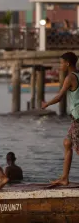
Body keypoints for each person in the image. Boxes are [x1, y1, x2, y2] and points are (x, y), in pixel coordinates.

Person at [42, 52, 79, 187]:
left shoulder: (70, 78)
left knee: (76, 148)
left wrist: (46, 104)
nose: (60, 65)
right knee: (67, 143)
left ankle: (64, 177)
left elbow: (59, 97)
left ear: (68, 63)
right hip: (75, 118)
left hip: (78, 119)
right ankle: (64, 178)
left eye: (61, 63)